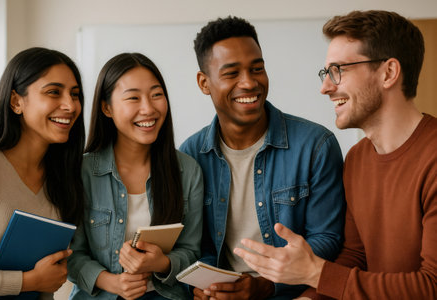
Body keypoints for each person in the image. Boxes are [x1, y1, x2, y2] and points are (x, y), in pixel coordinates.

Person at [234, 10, 437, 299]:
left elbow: (432, 286)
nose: (325, 87)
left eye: (338, 70)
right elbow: (355, 257)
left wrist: (313, 272)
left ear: (388, 73)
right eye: (326, 73)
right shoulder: (357, 159)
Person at [179, 16, 345, 299]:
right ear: (204, 83)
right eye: (232, 73)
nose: (249, 82)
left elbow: (329, 239)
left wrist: (266, 285)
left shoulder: (316, 145)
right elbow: (195, 244)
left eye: (257, 68)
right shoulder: (189, 156)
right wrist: (210, 284)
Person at [67, 53, 203, 300]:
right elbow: (71, 255)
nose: (148, 108)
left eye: (156, 95)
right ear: (107, 108)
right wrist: (113, 282)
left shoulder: (188, 170)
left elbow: (192, 251)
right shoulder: (82, 171)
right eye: (133, 98)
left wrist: (162, 263)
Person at [0, 47, 85, 298]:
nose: (70, 105)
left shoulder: (64, 176)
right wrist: (29, 281)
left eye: (74, 95)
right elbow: (39, 280)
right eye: (54, 92)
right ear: (16, 101)